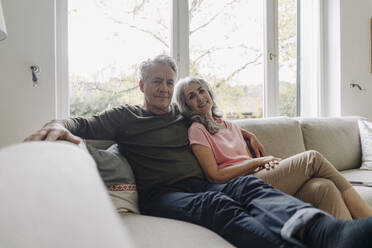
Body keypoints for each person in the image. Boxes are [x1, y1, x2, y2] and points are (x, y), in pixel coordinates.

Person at [25, 55, 372, 248]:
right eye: (156, 81)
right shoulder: (124, 117)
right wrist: (57, 124)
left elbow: (214, 122)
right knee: (217, 205)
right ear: (142, 84)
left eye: (168, 81)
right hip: (162, 193)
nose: (163, 88)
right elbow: (80, 122)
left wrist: (245, 131)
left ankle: (327, 232)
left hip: (203, 184)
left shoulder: (183, 116)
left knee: (252, 187)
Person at [174, 76, 372, 221]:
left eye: (201, 90)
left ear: (209, 92)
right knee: (312, 158)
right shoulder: (197, 130)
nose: (200, 97)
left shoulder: (228, 124)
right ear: (187, 105)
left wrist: (250, 136)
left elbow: (227, 133)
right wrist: (258, 161)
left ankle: (349, 239)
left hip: (262, 175)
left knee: (324, 187)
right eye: (192, 96)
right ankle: (366, 221)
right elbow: (214, 175)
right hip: (245, 186)